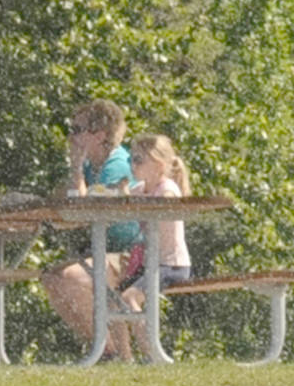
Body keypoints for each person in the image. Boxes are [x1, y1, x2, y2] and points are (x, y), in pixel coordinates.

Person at [39, 100, 140, 360]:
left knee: (67, 279)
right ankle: (113, 354)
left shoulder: (117, 166)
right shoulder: (91, 165)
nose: (70, 136)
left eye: (77, 129)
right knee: (52, 277)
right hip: (104, 252)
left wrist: (74, 168)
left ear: (100, 135)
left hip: (133, 255)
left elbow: (85, 210)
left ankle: (108, 352)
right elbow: (66, 198)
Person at [117, 134, 193, 315]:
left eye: (138, 160)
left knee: (130, 297)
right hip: (151, 264)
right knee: (112, 299)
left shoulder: (167, 189)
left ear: (158, 165)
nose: (132, 165)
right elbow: (122, 203)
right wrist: (120, 193)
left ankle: (150, 342)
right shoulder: (141, 189)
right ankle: (130, 343)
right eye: (130, 159)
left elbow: (164, 207)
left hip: (172, 265)